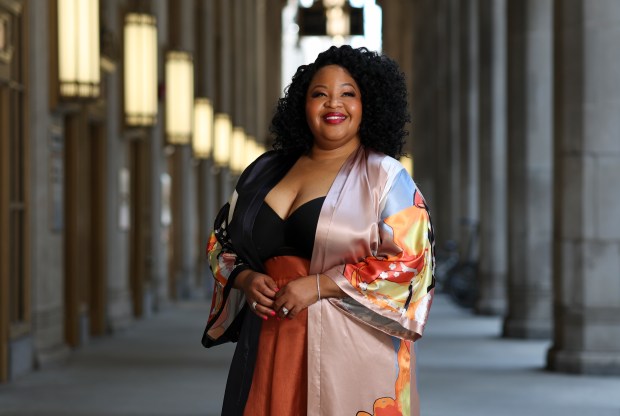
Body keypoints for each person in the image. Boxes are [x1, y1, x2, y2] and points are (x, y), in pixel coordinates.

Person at [202, 45, 435, 416]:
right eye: (319, 94)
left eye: (348, 94)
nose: (333, 105)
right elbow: (222, 240)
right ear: (302, 104)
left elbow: (412, 263)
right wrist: (244, 278)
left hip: (351, 346)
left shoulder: (386, 177)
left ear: (368, 104)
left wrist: (320, 284)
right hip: (268, 339)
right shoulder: (265, 170)